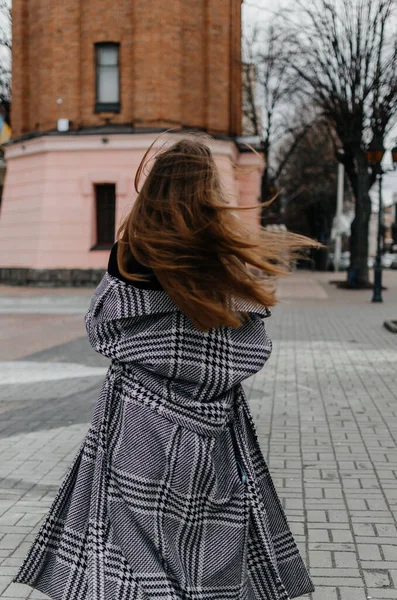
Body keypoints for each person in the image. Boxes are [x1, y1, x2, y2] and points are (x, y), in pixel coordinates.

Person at [15, 136, 316, 599]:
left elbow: (101, 326)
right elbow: (250, 337)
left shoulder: (129, 253)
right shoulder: (225, 262)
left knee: (131, 553)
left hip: (136, 424)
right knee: (210, 546)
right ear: (207, 191)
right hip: (212, 429)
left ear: (154, 189)